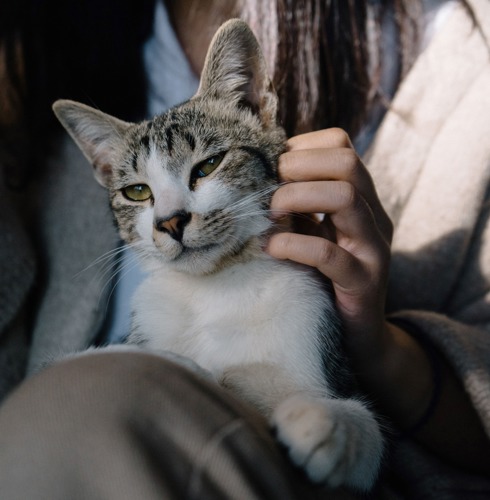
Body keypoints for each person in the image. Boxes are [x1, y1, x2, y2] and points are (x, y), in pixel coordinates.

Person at [0, 0, 489, 498]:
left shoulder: (466, 58)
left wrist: (378, 350)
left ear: (254, 107)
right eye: (138, 192)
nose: (169, 217)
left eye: (204, 167)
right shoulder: (45, 43)